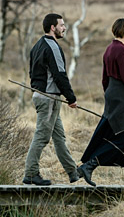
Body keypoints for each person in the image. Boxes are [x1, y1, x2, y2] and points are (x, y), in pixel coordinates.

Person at [76, 18, 124, 187]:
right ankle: (88, 166)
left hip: (116, 97)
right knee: (122, 139)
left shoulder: (109, 50)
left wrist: (110, 97)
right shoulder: (122, 51)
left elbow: (105, 79)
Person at [23, 13, 81, 186]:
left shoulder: (37, 46)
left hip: (43, 96)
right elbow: (60, 75)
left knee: (59, 137)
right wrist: (71, 98)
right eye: (62, 25)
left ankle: (73, 172)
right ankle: (31, 173)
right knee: (42, 136)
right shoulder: (52, 47)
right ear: (52, 27)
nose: (64, 28)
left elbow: (32, 74)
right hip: (49, 99)